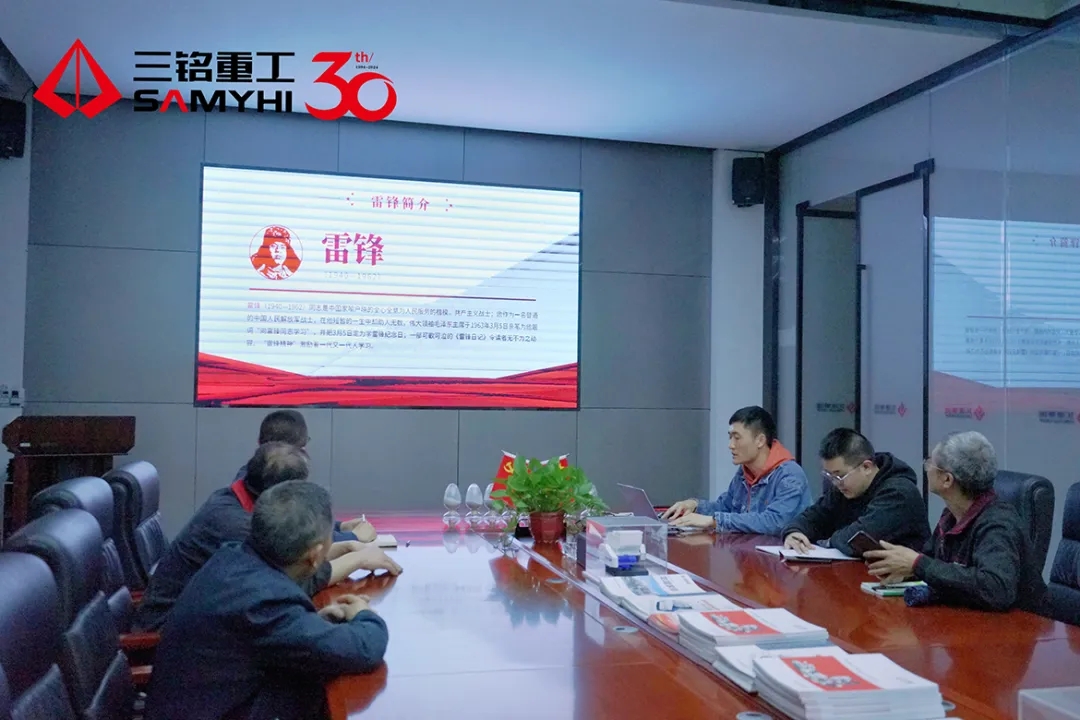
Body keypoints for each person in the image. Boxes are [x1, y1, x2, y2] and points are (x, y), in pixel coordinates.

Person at [145, 481, 389, 720]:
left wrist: (314, 623)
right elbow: (362, 650)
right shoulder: (265, 603)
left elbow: (259, 634)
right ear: (315, 556)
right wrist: (365, 615)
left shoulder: (232, 556)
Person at [134, 442, 401, 631]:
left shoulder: (236, 500)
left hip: (200, 625)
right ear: (283, 496)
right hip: (170, 634)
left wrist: (342, 548)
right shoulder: (237, 526)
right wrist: (357, 560)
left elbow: (284, 565)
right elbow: (287, 583)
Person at [865, 431, 1047, 613]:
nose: (926, 469)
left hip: (1016, 625)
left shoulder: (999, 524)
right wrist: (905, 570)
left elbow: (996, 588)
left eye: (930, 463)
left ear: (947, 479)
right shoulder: (952, 515)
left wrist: (917, 564)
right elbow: (934, 564)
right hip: (967, 618)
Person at [662, 406, 811, 534]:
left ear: (760, 440)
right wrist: (694, 506)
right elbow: (726, 507)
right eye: (730, 437)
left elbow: (774, 522)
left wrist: (714, 521)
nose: (731, 445)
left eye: (737, 438)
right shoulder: (744, 472)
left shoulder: (790, 475)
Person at [782, 428, 930, 557]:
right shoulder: (843, 488)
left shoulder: (899, 493)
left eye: (840, 475)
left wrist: (827, 541)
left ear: (866, 467)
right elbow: (815, 516)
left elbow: (859, 538)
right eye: (829, 476)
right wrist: (795, 532)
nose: (835, 483)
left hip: (900, 578)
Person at [237, 410, 376, 543]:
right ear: (301, 451)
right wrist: (352, 537)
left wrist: (338, 527)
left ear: (259, 443)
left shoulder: (248, 481)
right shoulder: (239, 518)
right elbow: (286, 540)